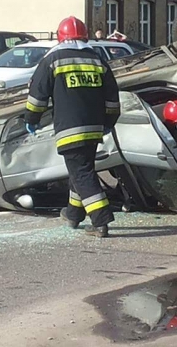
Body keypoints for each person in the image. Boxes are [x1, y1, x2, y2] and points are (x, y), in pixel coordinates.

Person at [25, 16, 120, 238]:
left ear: (60, 37)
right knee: (81, 170)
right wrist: (109, 122)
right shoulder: (97, 60)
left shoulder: (53, 59)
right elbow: (112, 97)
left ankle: (101, 219)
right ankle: (73, 214)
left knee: (82, 173)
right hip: (94, 128)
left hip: (69, 129)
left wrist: (31, 118)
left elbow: (38, 94)